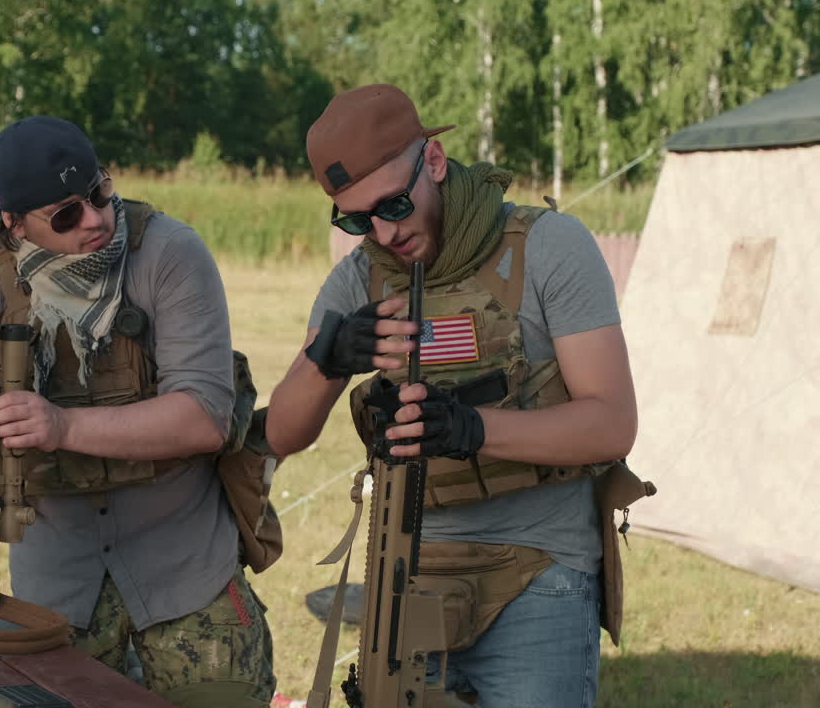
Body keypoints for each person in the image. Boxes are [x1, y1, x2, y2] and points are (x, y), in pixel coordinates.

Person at [0, 115, 275, 707]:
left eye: (98, 192)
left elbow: (205, 416)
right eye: (66, 214)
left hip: (186, 578)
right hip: (55, 597)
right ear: (14, 223)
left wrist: (62, 426)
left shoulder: (167, 254)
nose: (95, 219)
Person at [267, 84, 638, 707]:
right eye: (357, 219)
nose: (383, 232)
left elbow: (612, 423)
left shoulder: (548, 248)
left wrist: (473, 428)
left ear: (434, 161)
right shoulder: (358, 279)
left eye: (392, 204)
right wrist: (324, 360)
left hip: (538, 571)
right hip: (408, 571)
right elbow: (281, 433)